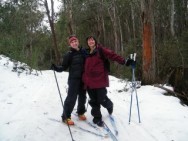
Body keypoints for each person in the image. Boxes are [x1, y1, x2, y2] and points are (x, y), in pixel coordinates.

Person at [82, 35, 132, 127]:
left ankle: (109, 105)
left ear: (95, 41)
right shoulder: (85, 53)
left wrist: (124, 61)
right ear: (87, 43)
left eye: (92, 40)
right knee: (93, 100)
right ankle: (97, 117)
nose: (91, 41)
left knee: (101, 98)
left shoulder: (100, 50)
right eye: (89, 40)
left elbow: (112, 55)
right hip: (89, 81)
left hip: (100, 79)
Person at [51, 35, 87, 125]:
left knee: (83, 97)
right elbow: (63, 67)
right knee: (71, 98)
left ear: (78, 42)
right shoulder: (69, 55)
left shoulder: (84, 52)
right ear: (70, 44)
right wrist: (56, 68)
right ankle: (66, 117)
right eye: (72, 42)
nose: (74, 43)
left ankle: (80, 112)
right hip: (73, 80)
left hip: (83, 79)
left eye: (75, 41)